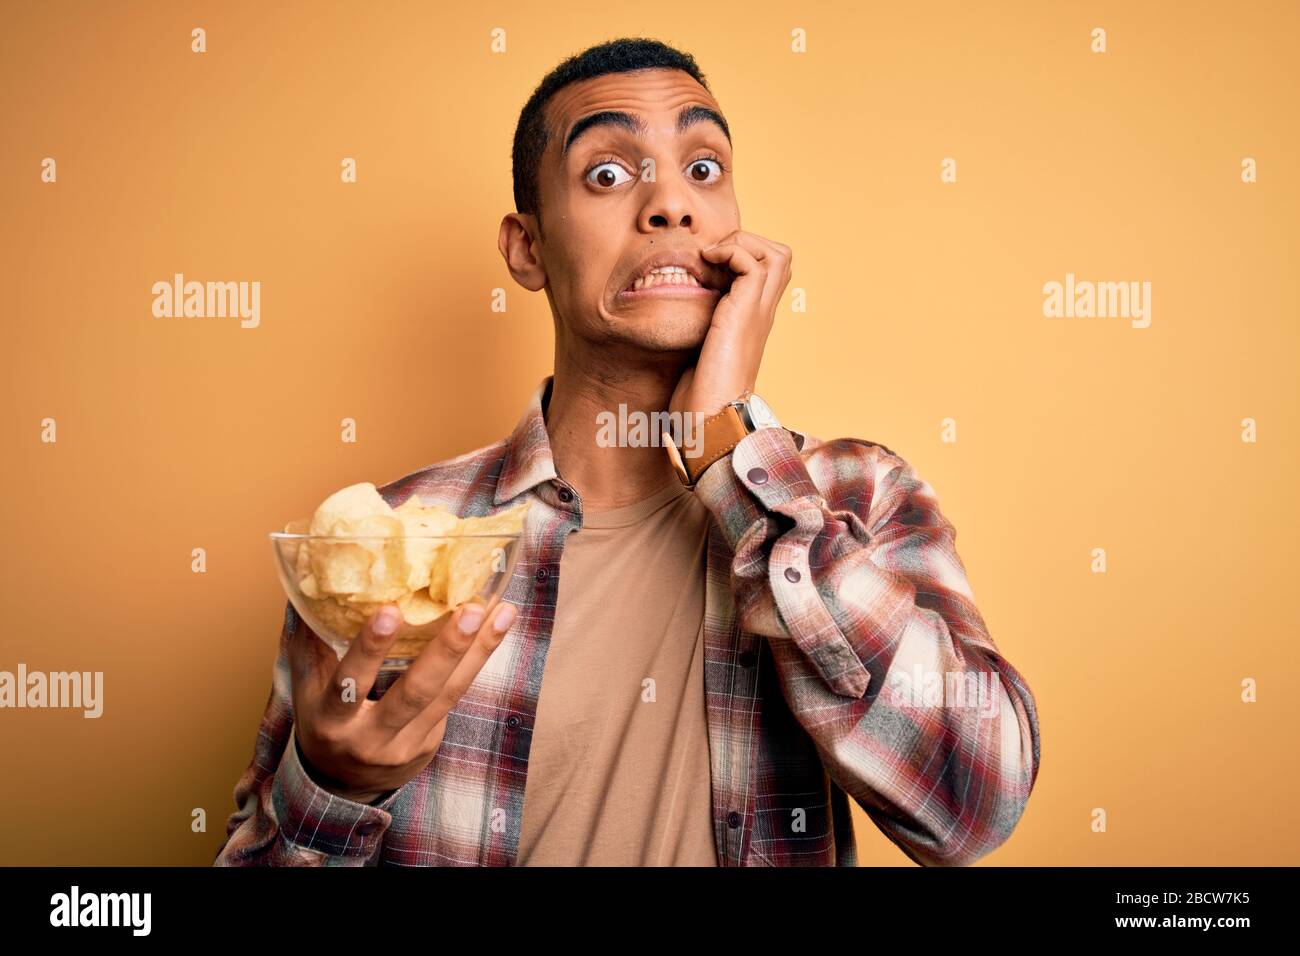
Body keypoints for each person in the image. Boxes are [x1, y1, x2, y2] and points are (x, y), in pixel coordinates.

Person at [214, 36, 1040, 868]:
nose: (671, 205)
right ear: (526, 249)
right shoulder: (387, 543)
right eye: (608, 173)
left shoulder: (856, 498)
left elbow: (975, 806)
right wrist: (329, 789)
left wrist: (729, 451)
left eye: (704, 168)